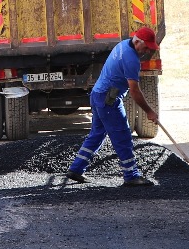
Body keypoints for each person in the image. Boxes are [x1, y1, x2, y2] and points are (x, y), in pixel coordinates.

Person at [66, 26, 162, 187]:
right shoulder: (131, 59)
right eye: (145, 47)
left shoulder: (123, 44)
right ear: (137, 41)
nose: (146, 51)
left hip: (97, 94)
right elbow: (134, 90)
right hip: (108, 100)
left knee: (97, 134)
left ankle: (76, 168)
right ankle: (131, 175)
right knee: (123, 136)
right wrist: (149, 112)